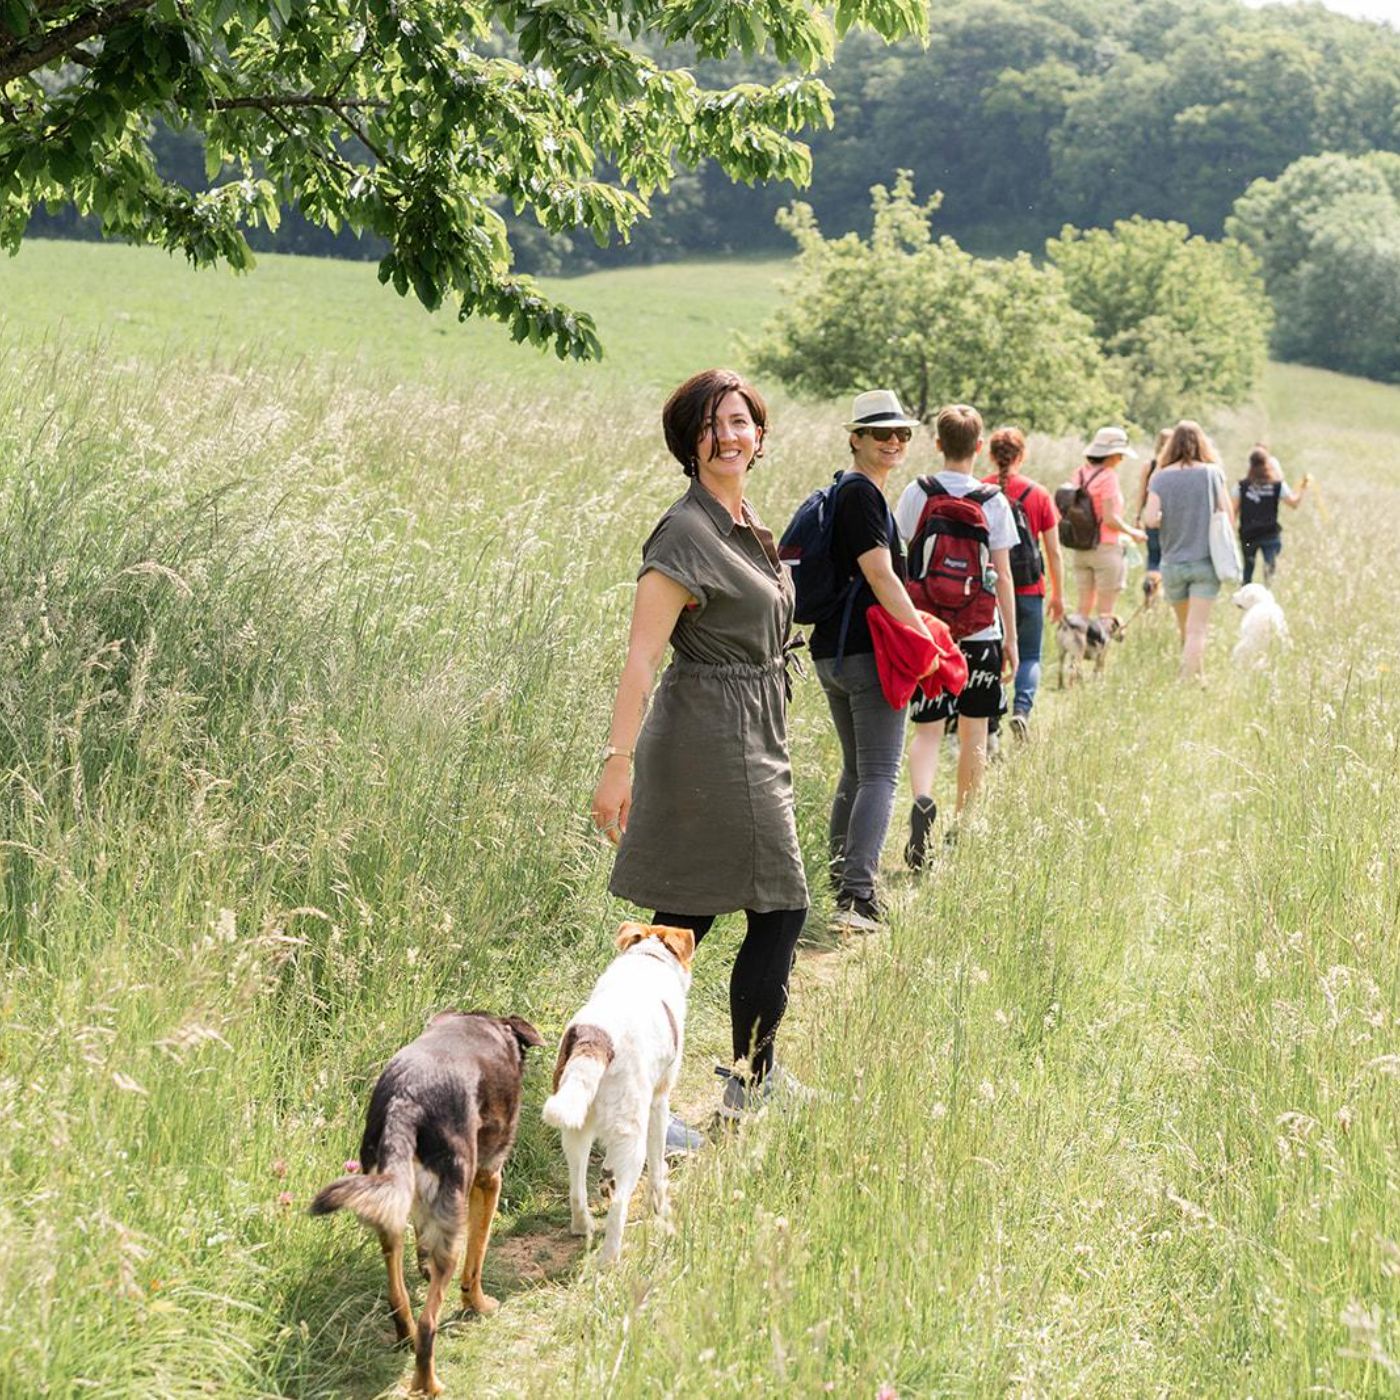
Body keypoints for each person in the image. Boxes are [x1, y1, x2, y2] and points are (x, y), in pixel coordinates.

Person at [591, 368, 808, 1129]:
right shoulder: (684, 532)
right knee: (771, 909)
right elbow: (642, 658)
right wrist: (617, 765)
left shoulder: (745, 521)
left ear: (761, 434)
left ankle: (640, 1088)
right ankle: (737, 1084)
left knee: (681, 923)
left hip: (754, 728)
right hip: (712, 736)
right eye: (710, 426)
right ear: (688, 442)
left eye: (740, 422)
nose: (727, 437)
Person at [813, 390, 932, 933]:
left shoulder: (846, 490)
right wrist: (921, 637)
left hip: (833, 651)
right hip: (866, 652)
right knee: (881, 773)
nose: (893, 441)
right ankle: (859, 898)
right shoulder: (862, 496)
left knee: (858, 770)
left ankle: (842, 880)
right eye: (881, 432)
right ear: (855, 437)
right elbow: (881, 575)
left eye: (902, 433)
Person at [896, 404, 1018, 862]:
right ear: (979, 447)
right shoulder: (994, 501)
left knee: (927, 730)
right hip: (981, 630)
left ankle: (922, 798)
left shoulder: (917, 491)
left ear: (938, 444)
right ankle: (963, 823)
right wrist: (1011, 640)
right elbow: (1002, 575)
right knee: (975, 733)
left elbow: (901, 559)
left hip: (929, 632)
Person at [981, 426, 1064, 741]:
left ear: (990, 455)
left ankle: (990, 720)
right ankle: (1021, 711)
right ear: (1022, 455)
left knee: (991, 655)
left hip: (988, 590)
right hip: (1029, 589)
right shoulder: (1038, 494)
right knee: (1029, 656)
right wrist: (1058, 594)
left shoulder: (979, 489)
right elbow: (1054, 551)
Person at [1141, 419, 1231, 681]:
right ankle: (1186, 680)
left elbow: (1150, 519)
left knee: (1186, 629)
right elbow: (1226, 513)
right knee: (1197, 630)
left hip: (1172, 563)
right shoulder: (1212, 473)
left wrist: (1168, 517)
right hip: (1205, 562)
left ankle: (1196, 675)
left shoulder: (1161, 476)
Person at [1064, 426, 1147, 629]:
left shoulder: (1080, 474)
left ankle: (1075, 655)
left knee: (1082, 610)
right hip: (1106, 549)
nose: (1121, 460)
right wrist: (1133, 532)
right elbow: (1110, 519)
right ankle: (1101, 658)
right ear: (1111, 455)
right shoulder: (1108, 476)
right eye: (1120, 455)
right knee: (1105, 613)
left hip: (1081, 548)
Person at [1232, 444, 1309, 583]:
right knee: (1269, 568)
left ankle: (1245, 597)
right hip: (1270, 535)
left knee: (1248, 569)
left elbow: (1233, 513)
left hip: (1248, 535)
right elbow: (1294, 503)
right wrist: (1303, 488)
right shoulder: (1277, 485)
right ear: (1268, 464)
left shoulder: (1241, 486)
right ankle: (1267, 595)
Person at [1135, 427, 1173, 586]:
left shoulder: (1149, 466)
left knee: (1153, 557)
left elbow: (1142, 493)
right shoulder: (1177, 466)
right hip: (1172, 519)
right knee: (1170, 557)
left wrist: (1137, 516)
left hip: (1151, 517)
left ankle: (1150, 596)